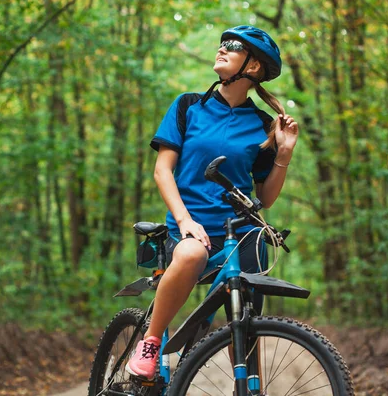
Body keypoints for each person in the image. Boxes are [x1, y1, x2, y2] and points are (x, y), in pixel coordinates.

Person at [126, 25, 299, 380]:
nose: (222, 49)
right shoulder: (189, 106)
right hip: (187, 227)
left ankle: (249, 386)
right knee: (192, 253)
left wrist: (283, 153)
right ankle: (152, 340)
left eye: (232, 46)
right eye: (222, 43)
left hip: (242, 234)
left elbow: (264, 198)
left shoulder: (263, 124)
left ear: (253, 67)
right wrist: (186, 221)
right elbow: (163, 171)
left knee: (246, 319)